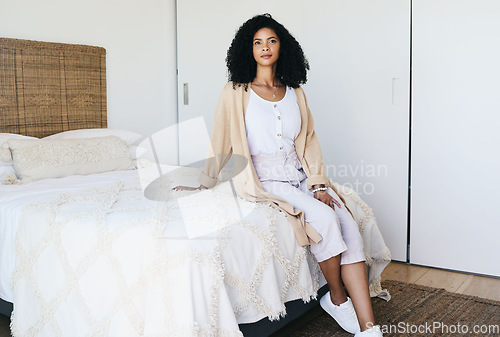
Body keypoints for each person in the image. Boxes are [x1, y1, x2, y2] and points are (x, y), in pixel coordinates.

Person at [173, 13, 383, 337]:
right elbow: (222, 139)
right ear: (249, 49)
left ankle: (370, 328)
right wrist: (205, 181)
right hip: (265, 180)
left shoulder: (295, 92)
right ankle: (337, 299)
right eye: (258, 42)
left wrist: (318, 184)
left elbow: (309, 141)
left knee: (347, 222)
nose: (265, 47)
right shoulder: (236, 91)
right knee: (325, 220)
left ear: (282, 47)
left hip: (298, 175)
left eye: (271, 41)